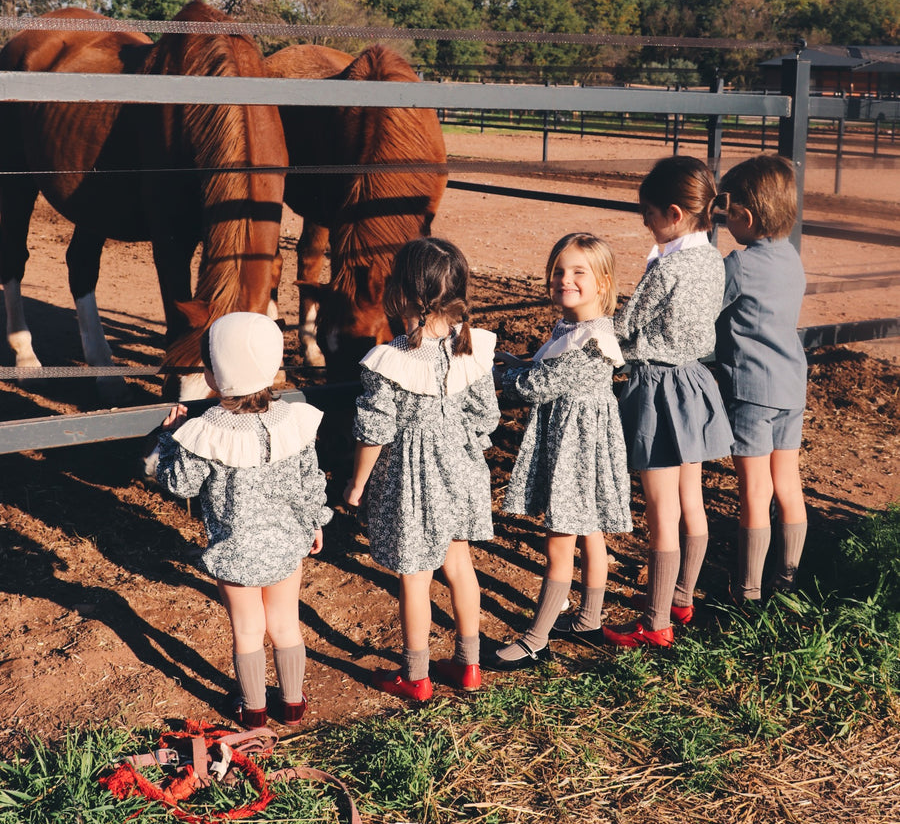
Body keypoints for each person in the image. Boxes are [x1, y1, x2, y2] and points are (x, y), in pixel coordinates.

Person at [151, 312, 331, 728]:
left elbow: (179, 483)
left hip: (235, 551)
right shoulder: (292, 421)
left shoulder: (206, 430)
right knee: (286, 624)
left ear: (213, 377)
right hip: (288, 543)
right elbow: (309, 481)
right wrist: (316, 521)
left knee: (248, 630)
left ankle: (252, 709)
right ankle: (292, 703)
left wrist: (169, 436)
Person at [344, 237, 499, 700]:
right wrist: (459, 444)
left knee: (415, 577)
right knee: (459, 565)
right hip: (462, 470)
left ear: (400, 294)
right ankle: (468, 666)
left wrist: (356, 485)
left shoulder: (392, 359)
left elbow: (374, 431)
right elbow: (486, 416)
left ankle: (416, 677)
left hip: (414, 479)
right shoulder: (471, 349)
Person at [603, 155, 732, 649]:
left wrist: (586, 333)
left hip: (657, 389)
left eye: (649, 213)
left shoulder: (669, 266)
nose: (645, 222)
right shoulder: (713, 260)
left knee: (661, 514)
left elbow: (627, 325)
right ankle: (682, 597)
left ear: (675, 214)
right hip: (696, 384)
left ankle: (655, 623)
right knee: (690, 502)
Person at [493, 233, 632, 669]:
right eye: (558, 271)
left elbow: (539, 386)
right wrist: (516, 361)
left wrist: (495, 376)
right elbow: (543, 367)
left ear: (604, 283)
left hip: (575, 448)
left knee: (560, 541)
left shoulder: (592, 341)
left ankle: (537, 639)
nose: (564, 279)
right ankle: (588, 619)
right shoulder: (572, 327)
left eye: (578, 272)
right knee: (588, 529)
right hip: (578, 442)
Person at [715, 154, 808, 600]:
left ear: (745, 217)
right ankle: (786, 580)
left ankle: (747, 590)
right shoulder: (791, 257)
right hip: (791, 385)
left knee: (754, 489)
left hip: (752, 390)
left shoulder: (740, 264)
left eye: (728, 213)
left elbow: (707, 310)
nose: (726, 221)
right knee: (787, 483)